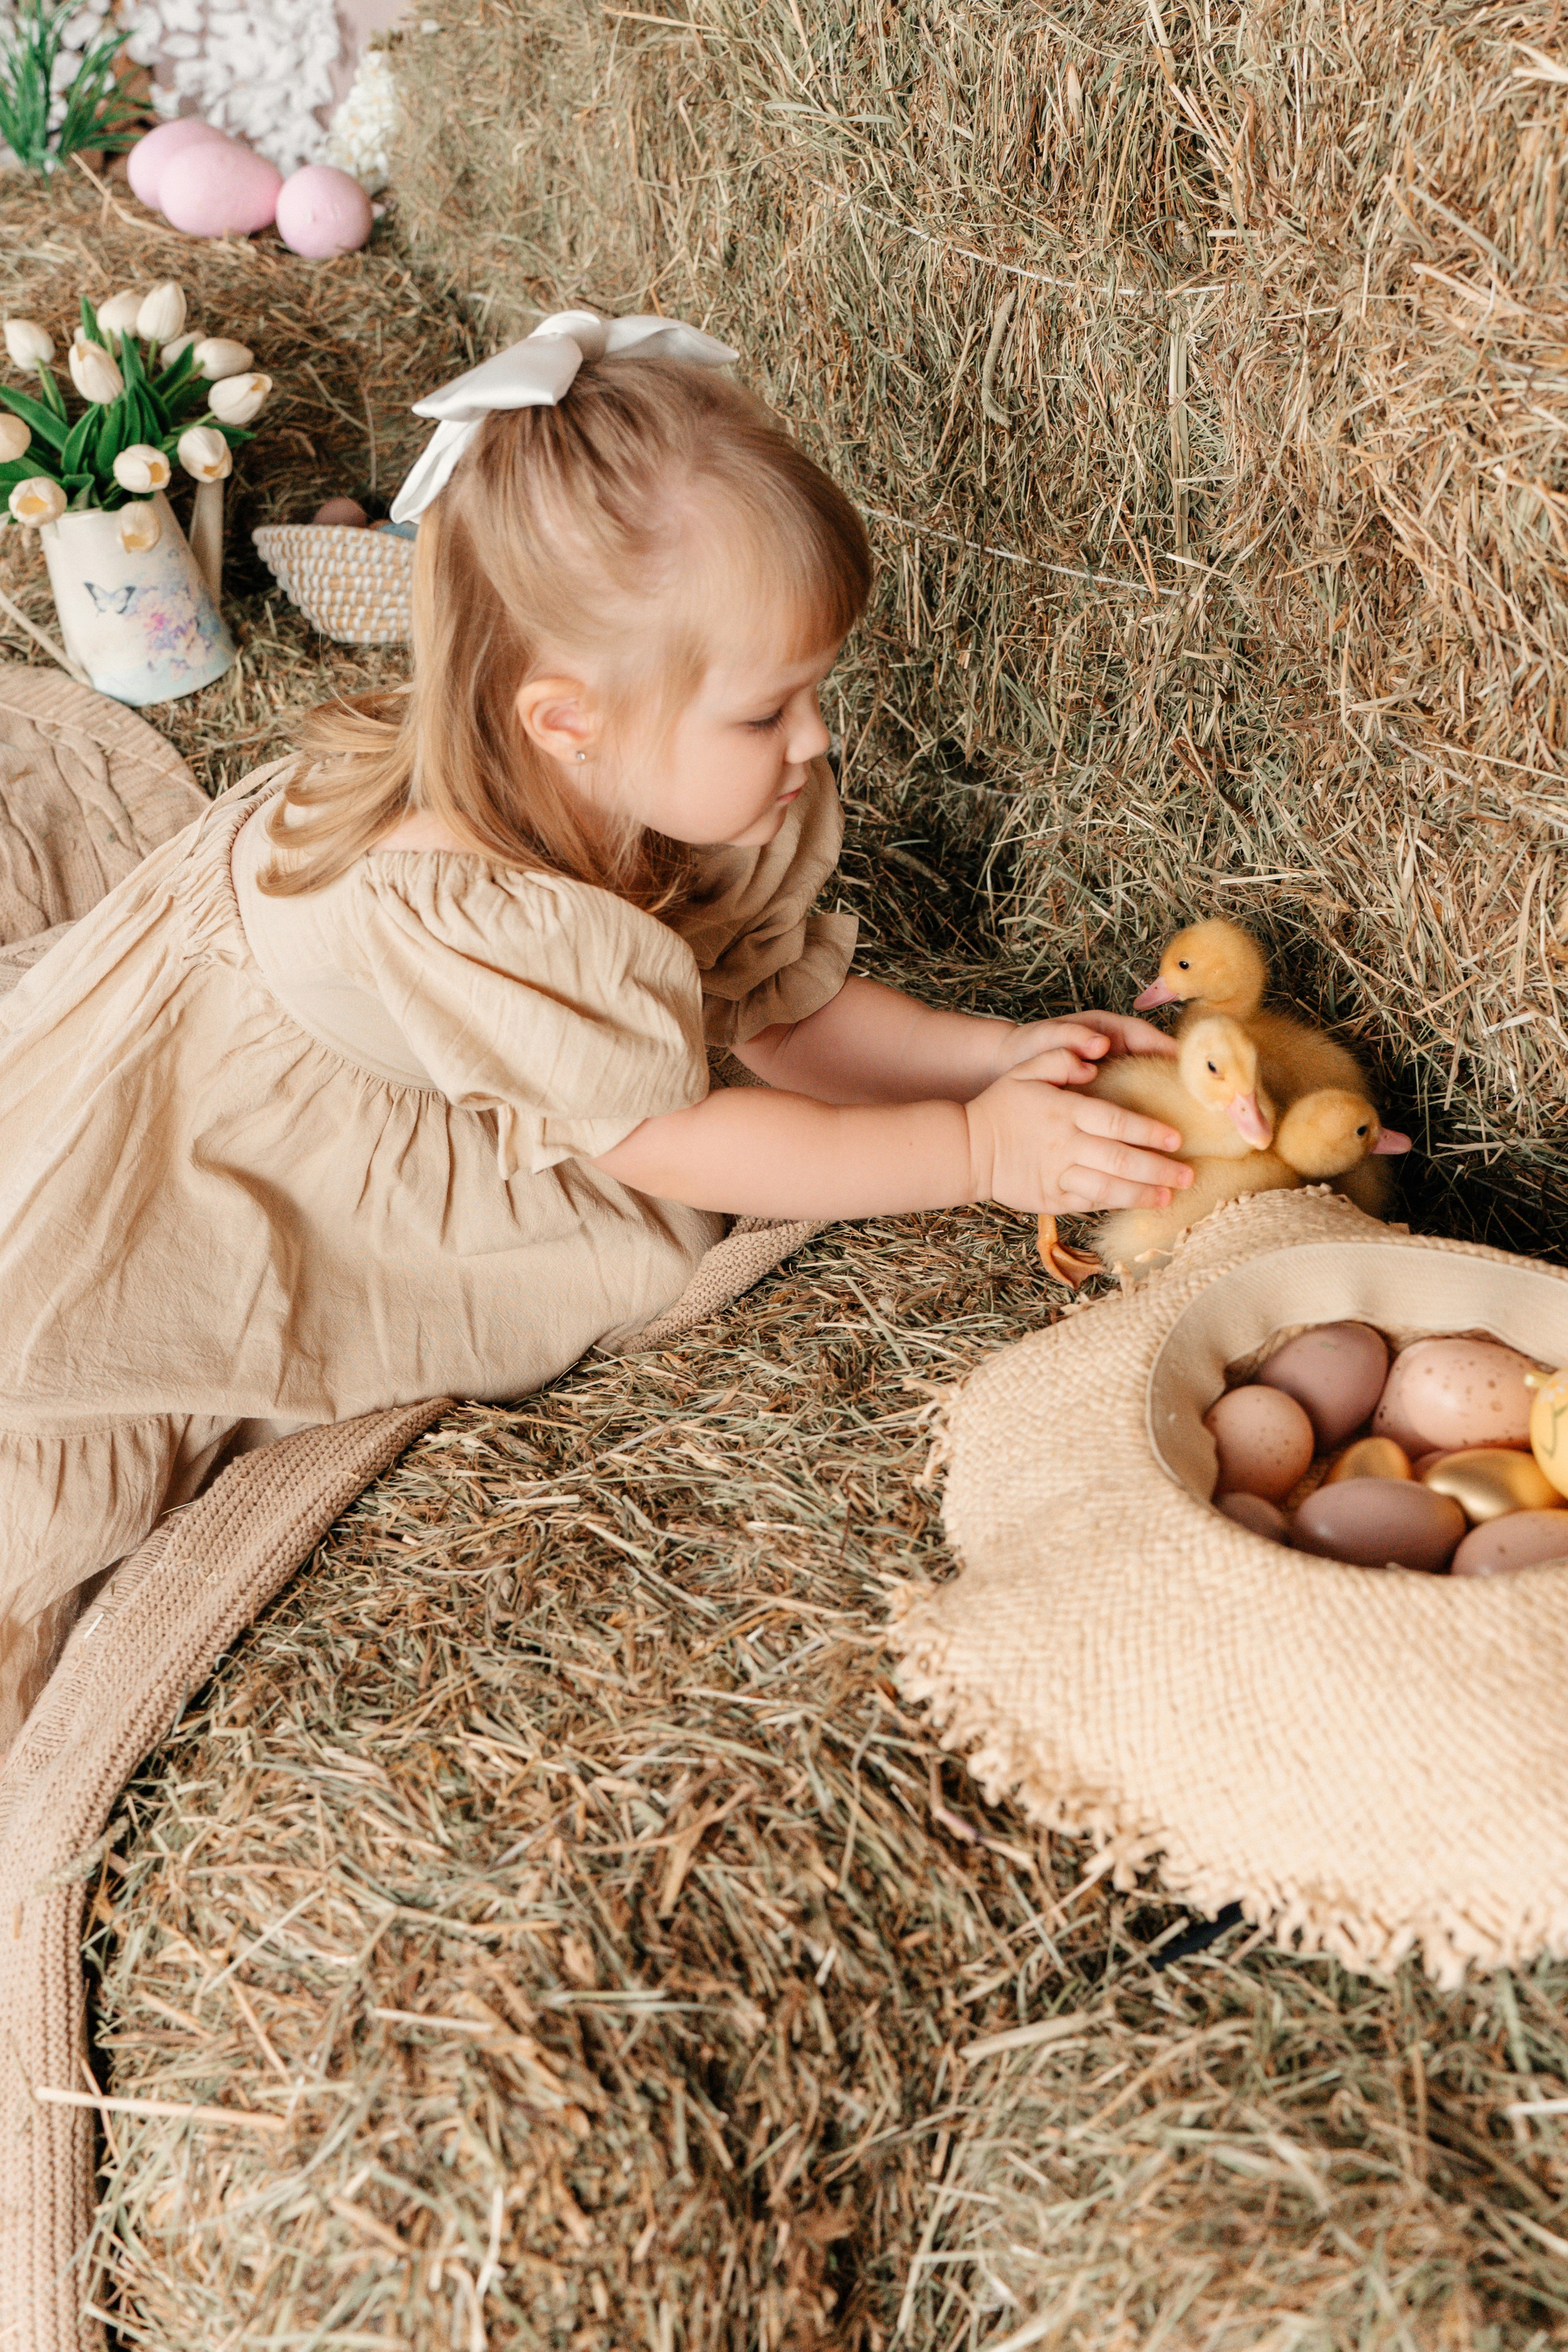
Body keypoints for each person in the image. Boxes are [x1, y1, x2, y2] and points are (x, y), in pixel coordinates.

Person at [0, 310, 1188, 1749]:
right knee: (62, 1410)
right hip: (212, 1125)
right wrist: (970, 1152)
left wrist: (975, 1054)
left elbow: (762, 1002)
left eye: (814, 691)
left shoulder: (659, 769)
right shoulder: (468, 903)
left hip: (400, 1001)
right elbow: (678, 1137)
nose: (811, 741)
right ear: (567, 721)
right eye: (770, 709)